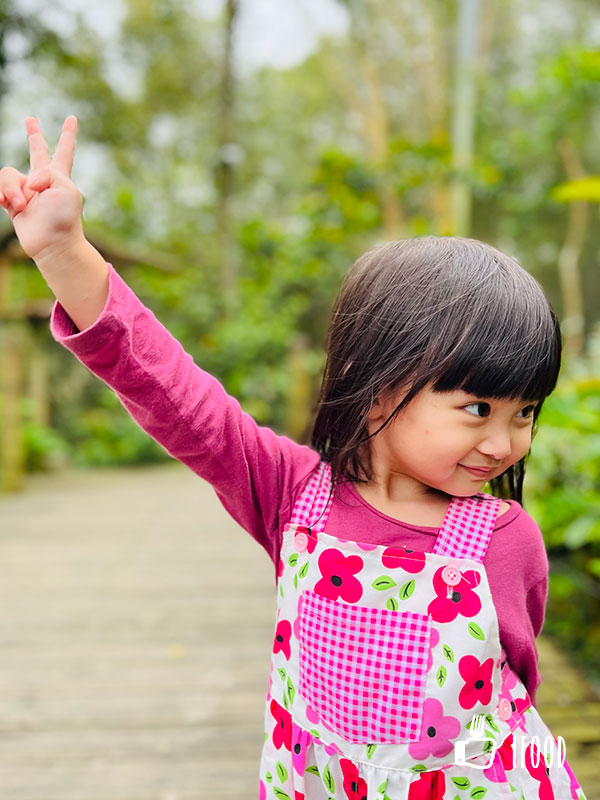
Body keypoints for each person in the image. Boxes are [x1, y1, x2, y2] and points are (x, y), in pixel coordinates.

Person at [0, 117, 588, 800]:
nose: (504, 442)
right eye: (478, 409)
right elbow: (168, 387)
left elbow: (513, 684)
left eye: (525, 414)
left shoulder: (506, 539)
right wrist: (64, 250)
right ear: (377, 389)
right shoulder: (291, 492)